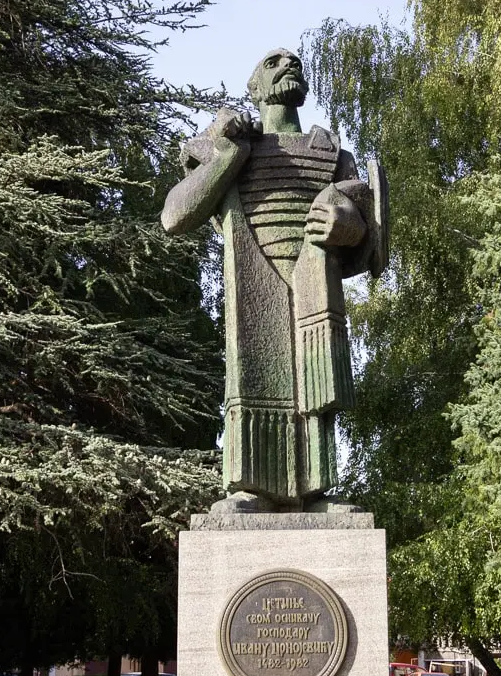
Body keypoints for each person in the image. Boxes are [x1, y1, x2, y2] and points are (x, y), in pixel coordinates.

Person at [161, 48, 387, 511]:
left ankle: (317, 490)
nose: (289, 62)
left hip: (312, 279)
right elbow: (175, 216)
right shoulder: (222, 148)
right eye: (273, 61)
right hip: (253, 276)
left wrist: (347, 224)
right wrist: (231, 151)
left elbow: (367, 234)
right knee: (255, 375)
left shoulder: (330, 153)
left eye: (295, 60)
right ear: (254, 88)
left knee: (314, 380)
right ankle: (251, 488)